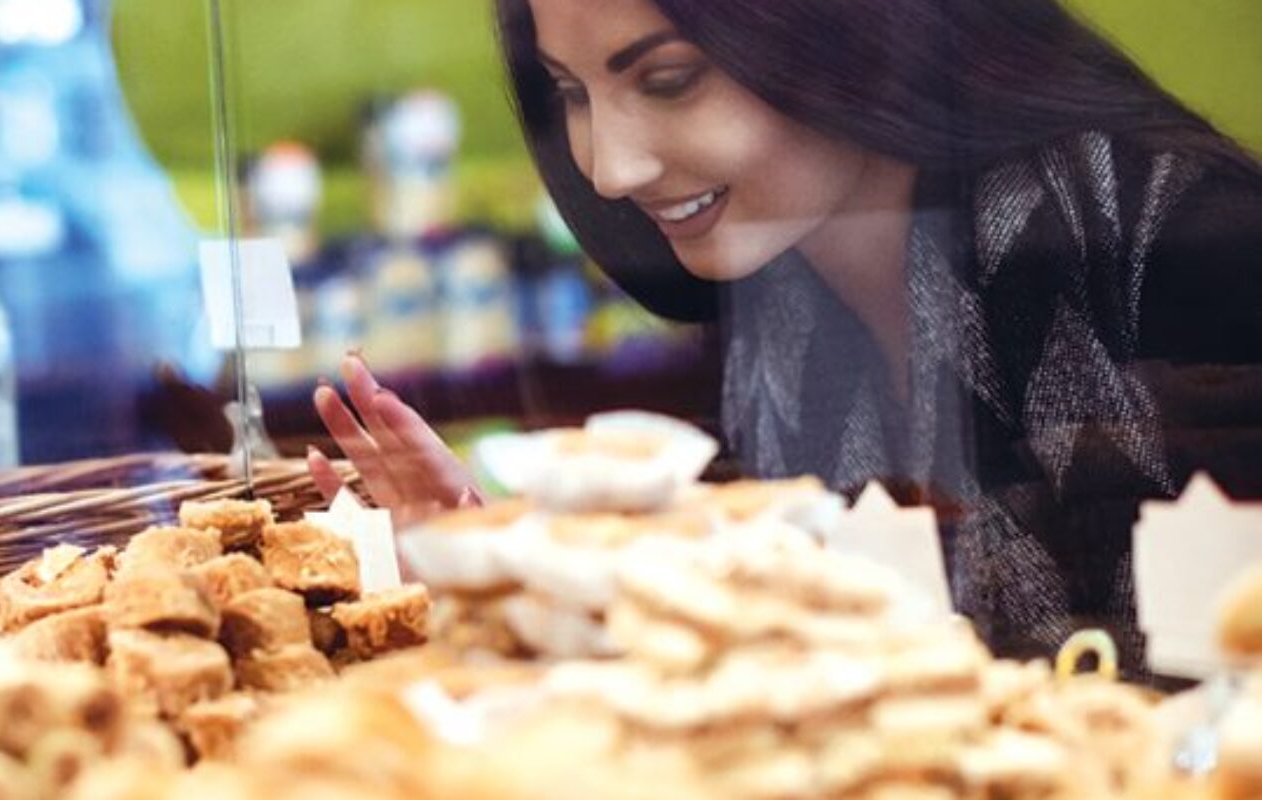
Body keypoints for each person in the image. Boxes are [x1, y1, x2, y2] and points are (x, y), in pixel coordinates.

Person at [307, 0, 1262, 671]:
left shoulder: (1173, 242)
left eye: (670, 79)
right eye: (572, 91)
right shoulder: (783, 293)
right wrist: (501, 568)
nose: (608, 166)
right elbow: (768, 666)